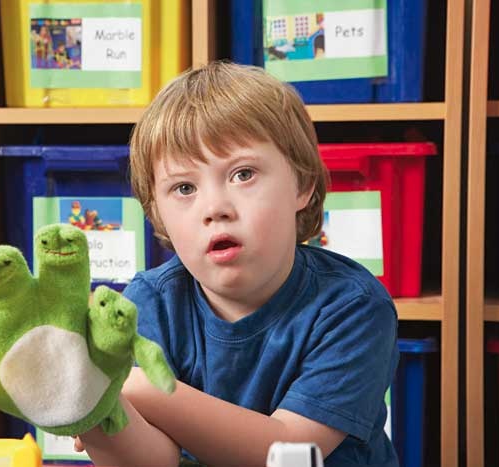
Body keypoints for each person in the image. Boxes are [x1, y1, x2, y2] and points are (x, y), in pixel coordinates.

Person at [76, 61, 399, 467]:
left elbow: (289, 452)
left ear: (302, 184)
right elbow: (155, 460)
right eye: (184, 187)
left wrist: (145, 389)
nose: (215, 208)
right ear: (156, 212)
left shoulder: (353, 306)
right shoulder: (150, 302)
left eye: (243, 174)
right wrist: (93, 410)